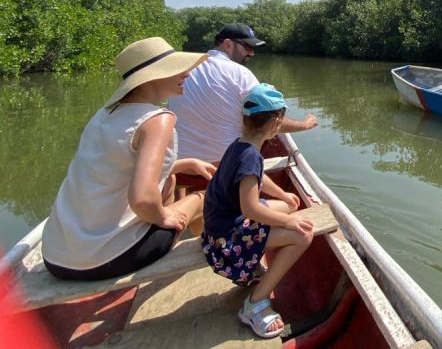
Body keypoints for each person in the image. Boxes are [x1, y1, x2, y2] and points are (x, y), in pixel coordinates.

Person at [41, 37, 215, 280]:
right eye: (177, 68)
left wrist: (184, 164)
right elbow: (143, 199)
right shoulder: (157, 119)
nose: (186, 73)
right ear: (152, 76)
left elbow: (113, 168)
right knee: (206, 197)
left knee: (171, 181)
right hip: (105, 259)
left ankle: (177, 235)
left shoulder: (104, 114)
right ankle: (208, 261)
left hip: (56, 257)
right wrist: (164, 217)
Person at [201, 83, 315, 338]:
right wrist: (289, 224)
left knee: (288, 205)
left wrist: (283, 195)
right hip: (225, 244)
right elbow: (250, 208)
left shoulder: (240, 146)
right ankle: (254, 304)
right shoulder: (250, 156)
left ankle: (253, 268)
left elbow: (256, 178)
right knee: (302, 235)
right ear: (276, 122)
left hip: (217, 230)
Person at [169, 23, 318, 195]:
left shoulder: (185, 68)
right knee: (259, 129)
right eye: (247, 46)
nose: (251, 53)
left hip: (180, 170)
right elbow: (270, 121)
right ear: (228, 44)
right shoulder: (240, 73)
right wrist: (305, 124)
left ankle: (184, 197)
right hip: (222, 170)